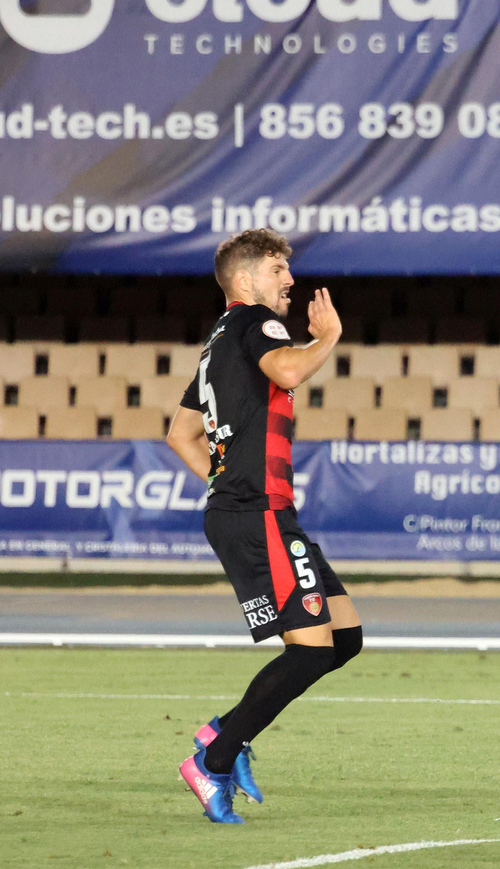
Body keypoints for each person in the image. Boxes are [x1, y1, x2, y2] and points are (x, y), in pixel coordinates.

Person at [164, 228, 361, 824]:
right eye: (279, 269)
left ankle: (223, 732)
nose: (290, 281)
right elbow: (289, 372)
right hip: (257, 513)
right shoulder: (256, 323)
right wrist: (327, 337)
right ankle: (214, 759)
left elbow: (179, 434)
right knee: (309, 652)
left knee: (343, 639)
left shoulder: (215, 342)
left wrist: (224, 489)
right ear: (245, 281)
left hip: (257, 511)